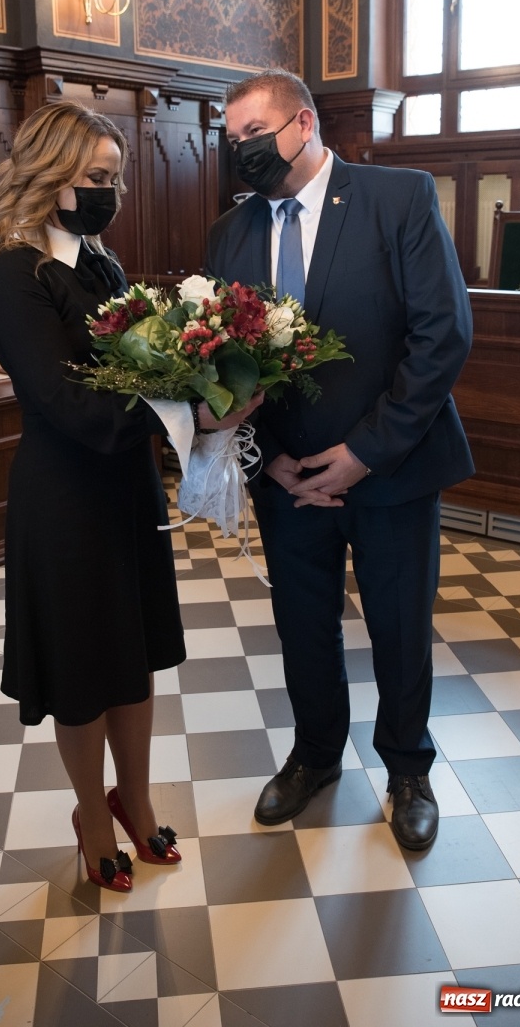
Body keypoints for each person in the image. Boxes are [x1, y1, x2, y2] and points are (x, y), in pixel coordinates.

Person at [0, 100, 260, 891]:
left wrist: (206, 376)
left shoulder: (100, 262)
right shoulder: (16, 271)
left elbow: (146, 367)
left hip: (124, 487)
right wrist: (186, 408)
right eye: (98, 177)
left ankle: (133, 799)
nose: (112, 191)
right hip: (63, 497)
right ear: (51, 174)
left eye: (117, 178)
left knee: (132, 654)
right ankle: (90, 813)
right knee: (81, 668)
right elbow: (64, 402)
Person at [206, 69, 474, 850]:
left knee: (398, 627)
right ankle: (316, 755)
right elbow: (225, 362)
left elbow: (440, 336)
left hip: (390, 467)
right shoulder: (231, 232)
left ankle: (406, 770)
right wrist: (273, 460)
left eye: (255, 135)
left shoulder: (398, 198)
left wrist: (363, 453)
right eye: (232, 142)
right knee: (301, 626)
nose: (242, 152)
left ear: (304, 124)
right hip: (287, 476)